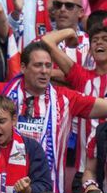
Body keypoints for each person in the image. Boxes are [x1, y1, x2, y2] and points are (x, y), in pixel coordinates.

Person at [0, 41, 107, 193]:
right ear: (23, 67)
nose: (44, 71)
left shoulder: (66, 98)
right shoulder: (2, 91)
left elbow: (103, 106)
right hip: (4, 192)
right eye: (38, 65)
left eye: (48, 65)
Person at [42, 26, 107, 182]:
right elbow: (47, 41)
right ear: (90, 49)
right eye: (94, 40)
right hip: (84, 171)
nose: (99, 43)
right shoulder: (81, 77)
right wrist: (70, 32)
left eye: (105, 39)